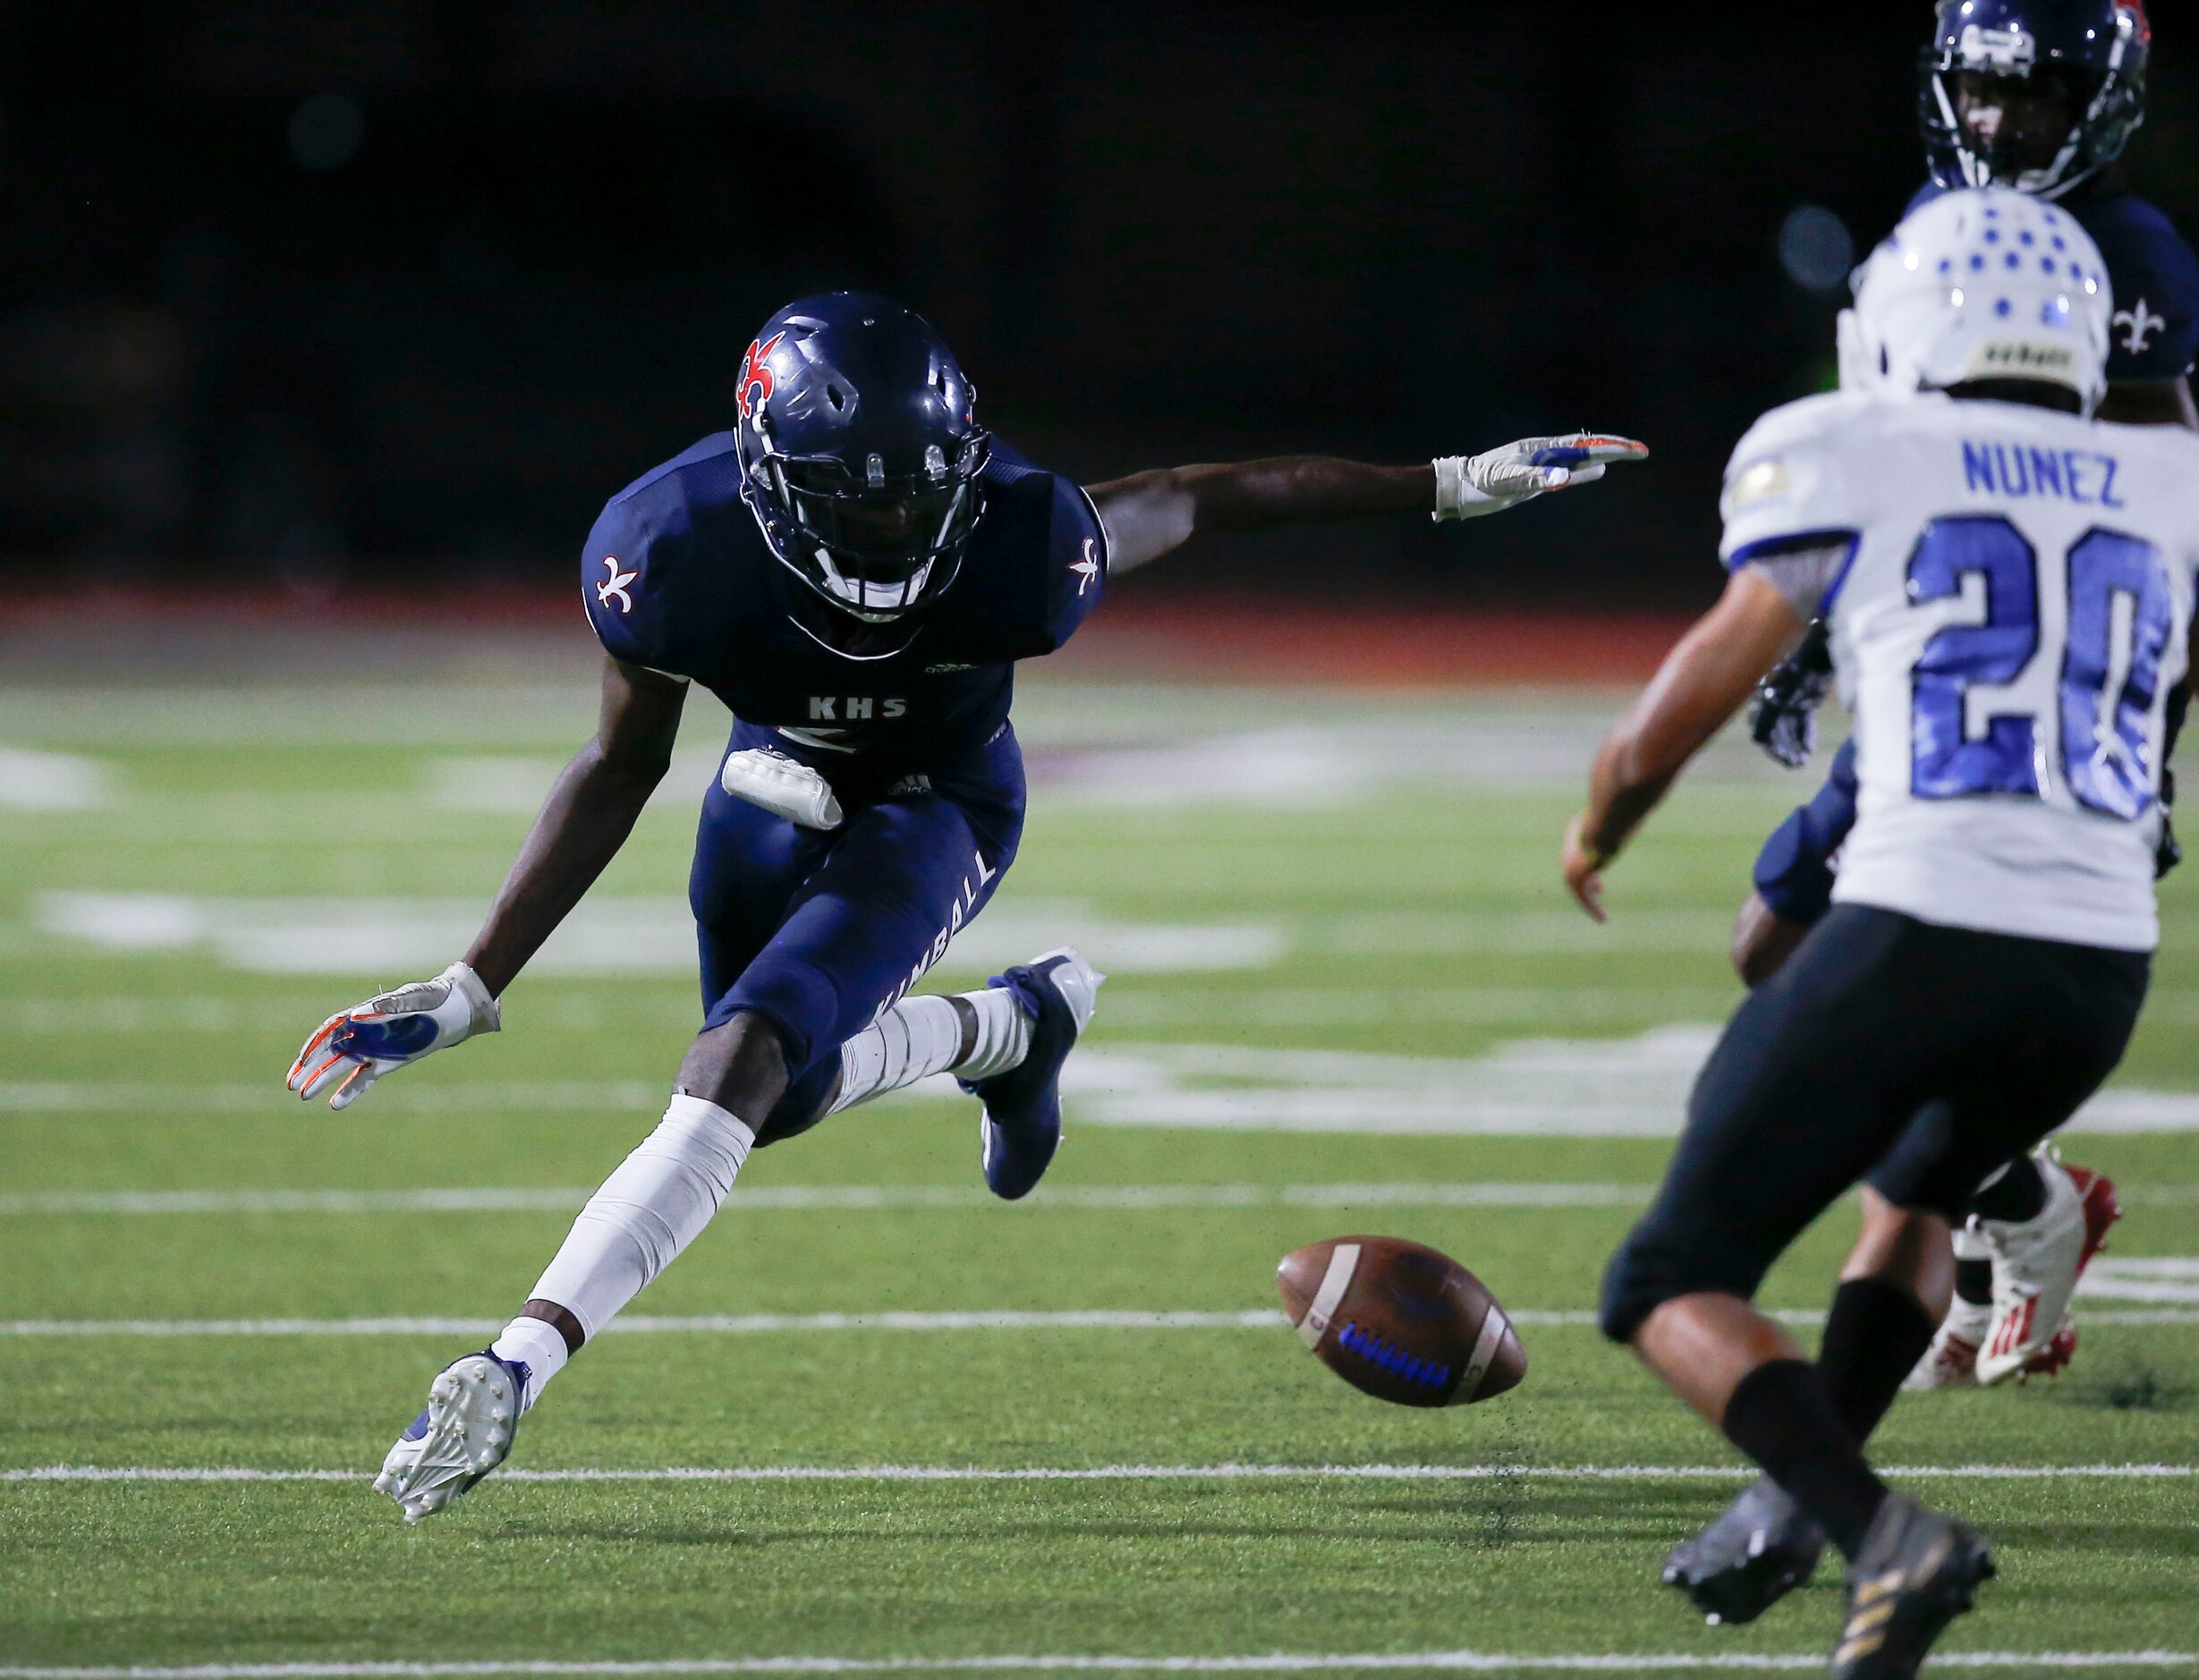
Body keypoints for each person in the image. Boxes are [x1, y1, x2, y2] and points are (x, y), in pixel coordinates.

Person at [285, 291, 1645, 1523]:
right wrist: (473, 985)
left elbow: (1209, 496)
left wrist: (1451, 484)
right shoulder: (669, 546)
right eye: (852, 505)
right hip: (768, 788)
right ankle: (1015, 1030)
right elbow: (620, 765)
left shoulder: (1023, 534)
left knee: (737, 1068)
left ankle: (516, 1358)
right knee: (783, 1098)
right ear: (766, 479)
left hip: (941, 801)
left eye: (909, 502)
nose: (887, 531)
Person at [1561, 188, 2199, 1676]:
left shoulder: (1864, 450)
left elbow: (1675, 709)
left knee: (1664, 1281)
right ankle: (1816, 1531)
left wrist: (1602, 820)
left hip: (1919, 920)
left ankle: (1881, 1533)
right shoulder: (2174, 485)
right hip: (2098, 970)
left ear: (1904, 324)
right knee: (1923, 1190)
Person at [1670, 0, 2199, 1626]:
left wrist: (2147, 742)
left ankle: (1812, 1474)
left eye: (2029, 93)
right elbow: (1899, 452)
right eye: (1976, 84)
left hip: (2024, 725)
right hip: (1928, 690)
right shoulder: (1929, 225)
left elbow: (2165, 509)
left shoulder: (2127, 258)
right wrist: (1817, 630)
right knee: (1776, 943)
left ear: (2095, 103)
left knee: (1854, 1085)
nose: (1999, 119)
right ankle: (2016, 1199)